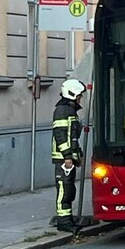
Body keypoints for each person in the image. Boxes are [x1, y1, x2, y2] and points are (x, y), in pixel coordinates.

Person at [52, 78, 87, 234]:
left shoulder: (69, 110)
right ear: (72, 93)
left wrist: (76, 155)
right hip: (63, 159)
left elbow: (72, 137)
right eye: (79, 95)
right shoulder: (62, 111)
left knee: (69, 189)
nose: (80, 98)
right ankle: (63, 222)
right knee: (64, 190)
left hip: (69, 158)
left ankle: (68, 218)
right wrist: (67, 156)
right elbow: (60, 135)